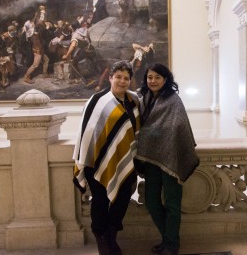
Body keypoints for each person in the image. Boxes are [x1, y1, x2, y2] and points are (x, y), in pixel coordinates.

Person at [72, 61, 140, 255]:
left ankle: (111, 235)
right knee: (100, 200)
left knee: (122, 199)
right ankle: (100, 236)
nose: (122, 81)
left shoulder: (134, 101)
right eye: (118, 77)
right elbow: (87, 132)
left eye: (126, 78)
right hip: (96, 161)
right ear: (110, 78)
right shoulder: (96, 101)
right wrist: (85, 158)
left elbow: (135, 131)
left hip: (124, 160)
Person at [135, 63, 199, 255]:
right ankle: (168, 238)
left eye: (157, 77)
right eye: (150, 77)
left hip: (171, 158)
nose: (153, 81)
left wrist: (151, 133)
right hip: (151, 160)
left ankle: (171, 245)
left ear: (165, 79)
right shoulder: (142, 98)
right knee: (151, 200)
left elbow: (178, 126)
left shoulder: (173, 100)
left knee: (172, 204)